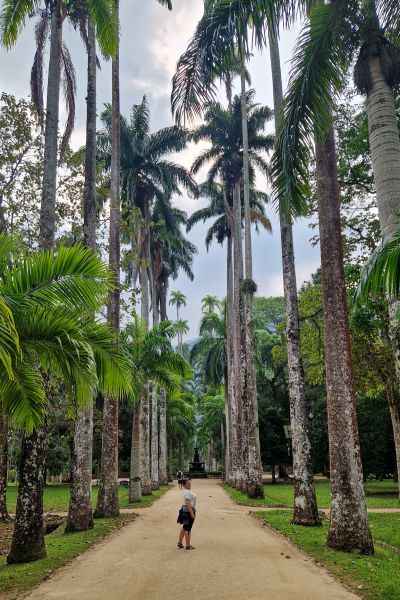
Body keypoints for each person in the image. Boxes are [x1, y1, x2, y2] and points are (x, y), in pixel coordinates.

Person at [177, 478, 197, 550]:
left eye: (190, 482)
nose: (190, 484)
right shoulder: (187, 492)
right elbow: (188, 504)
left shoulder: (186, 491)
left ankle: (180, 543)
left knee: (184, 527)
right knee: (188, 529)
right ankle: (188, 545)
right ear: (184, 485)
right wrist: (192, 513)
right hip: (188, 511)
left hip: (185, 511)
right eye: (188, 483)